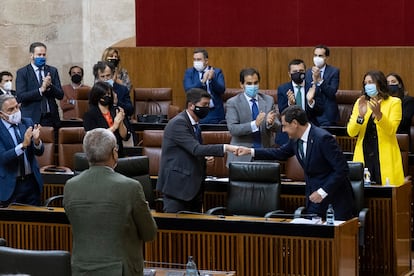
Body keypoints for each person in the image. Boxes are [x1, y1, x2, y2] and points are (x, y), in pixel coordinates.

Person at [63, 128, 157, 275]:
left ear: (87, 155)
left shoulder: (70, 186)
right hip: (120, 271)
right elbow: (149, 233)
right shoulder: (131, 187)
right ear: (114, 152)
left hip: (81, 270)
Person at [237, 105, 354, 220]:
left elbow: (342, 169)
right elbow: (279, 153)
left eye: (284, 126)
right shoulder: (295, 140)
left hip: (335, 201)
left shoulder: (323, 138)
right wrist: (250, 151)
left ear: (294, 123)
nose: (283, 130)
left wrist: (322, 192)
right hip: (314, 201)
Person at [156, 88, 239, 213]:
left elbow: (189, 152)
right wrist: (226, 147)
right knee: (176, 228)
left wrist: (204, 160)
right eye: (204, 105)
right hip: (177, 189)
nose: (207, 108)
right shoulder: (178, 123)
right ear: (191, 106)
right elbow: (196, 149)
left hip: (193, 188)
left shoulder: (195, 125)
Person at [347, 70, 404, 186]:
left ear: (380, 84)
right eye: (366, 83)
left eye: (371, 82)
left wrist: (379, 115)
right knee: (363, 195)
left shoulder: (394, 103)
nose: (368, 85)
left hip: (385, 156)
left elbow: (392, 130)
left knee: (386, 197)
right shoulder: (361, 102)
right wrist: (360, 116)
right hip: (364, 154)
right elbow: (351, 132)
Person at [226, 68, 280, 164]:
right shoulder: (233, 103)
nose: (253, 86)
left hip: (264, 154)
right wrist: (254, 124)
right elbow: (233, 129)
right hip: (241, 156)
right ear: (242, 85)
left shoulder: (268, 100)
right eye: (249, 84)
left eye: (256, 83)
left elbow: (278, 126)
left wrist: (270, 123)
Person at [0, 94, 44, 207]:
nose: (16, 111)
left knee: (36, 221)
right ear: (1, 114)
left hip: (31, 183)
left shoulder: (27, 122)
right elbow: (3, 158)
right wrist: (23, 145)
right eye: (10, 110)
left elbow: (39, 152)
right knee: (13, 224)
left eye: (17, 107)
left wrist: (37, 141)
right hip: (10, 186)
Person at [16, 42, 64, 128]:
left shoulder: (52, 71)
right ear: (32, 55)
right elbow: (20, 96)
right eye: (39, 55)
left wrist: (50, 86)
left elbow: (60, 95)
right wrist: (40, 90)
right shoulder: (22, 72)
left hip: (51, 118)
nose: (42, 57)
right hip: (31, 118)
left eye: (44, 55)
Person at [276, 59, 321, 146]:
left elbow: (320, 111)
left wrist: (310, 101)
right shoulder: (283, 89)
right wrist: (290, 105)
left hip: (309, 129)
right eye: (295, 71)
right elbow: (282, 112)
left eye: (301, 71)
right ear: (289, 74)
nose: (298, 73)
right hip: (289, 132)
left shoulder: (313, 88)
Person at [83, 81, 131, 157]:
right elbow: (94, 138)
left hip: (118, 152)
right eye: (103, 94)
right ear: (96, 96)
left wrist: (120, 122)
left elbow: (125, 137)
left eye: (108, 94)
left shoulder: (116, 110)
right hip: (100, 154)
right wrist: (114, 127)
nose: (107, 96)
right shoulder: (90, 114)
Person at [183, 48, 226, 124]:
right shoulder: (189, 72)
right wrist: (202, 81)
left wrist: (212, 79)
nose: (196, 62)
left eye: (199, 59)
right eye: (194, 59)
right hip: (196, 111)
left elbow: (221, 90)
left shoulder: (217, 72)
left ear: (206, 61)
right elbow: (188, 90)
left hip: (214, 112)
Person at [305, 44, 340, 126]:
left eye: (320, 56)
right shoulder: (308, 73)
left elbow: (331, 92)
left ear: (326, 57)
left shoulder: (334, 71)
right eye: (315, 55)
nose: (317, 58)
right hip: (312, 115)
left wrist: (320, 80)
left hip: (327, 115)